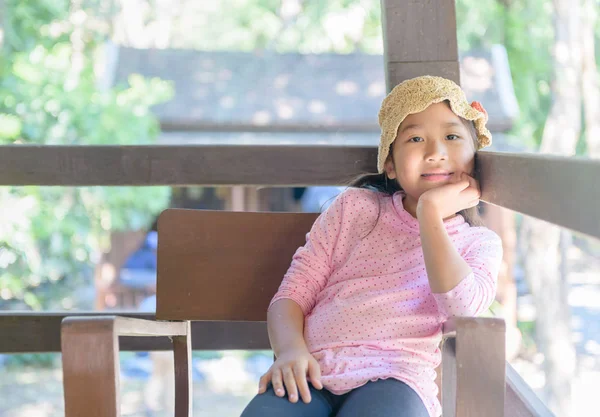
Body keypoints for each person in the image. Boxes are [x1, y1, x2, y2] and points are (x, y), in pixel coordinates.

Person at [240, 76, 503, 417]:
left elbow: (461, 308)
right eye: (415, 138)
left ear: (474, 156)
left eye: (452, 136)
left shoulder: (479, 243)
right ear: (390, 164)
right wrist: (290, 352)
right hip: (311, 370)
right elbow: (292, 294)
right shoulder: (355, 209)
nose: (436, 153)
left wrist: (430, 213)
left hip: (396, 380)